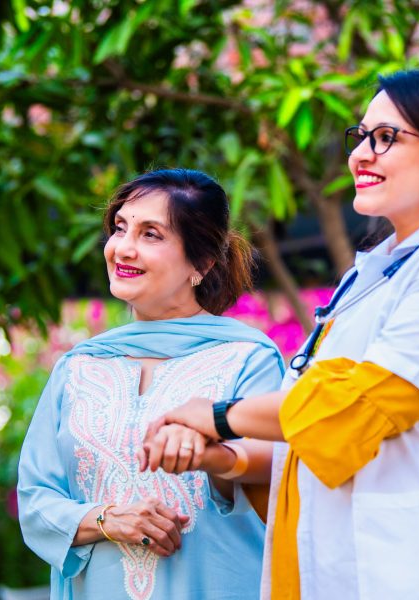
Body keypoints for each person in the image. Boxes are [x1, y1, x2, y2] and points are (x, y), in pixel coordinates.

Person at [143, 70, 419, 599]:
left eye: (387, 137)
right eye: (362, 135)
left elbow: (353, 407)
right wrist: (220, 456)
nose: (362, 154)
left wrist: (213, 415)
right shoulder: (368, 275)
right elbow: (312, 437)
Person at [18, 168, 285, 600]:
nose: (123, 248)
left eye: (151, 235)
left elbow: (276, 468)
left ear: (201, 264)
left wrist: (210, 451)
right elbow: (36, 501)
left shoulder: (247, 359)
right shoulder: (79, 368)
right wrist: (108, 519)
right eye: (120, 228)